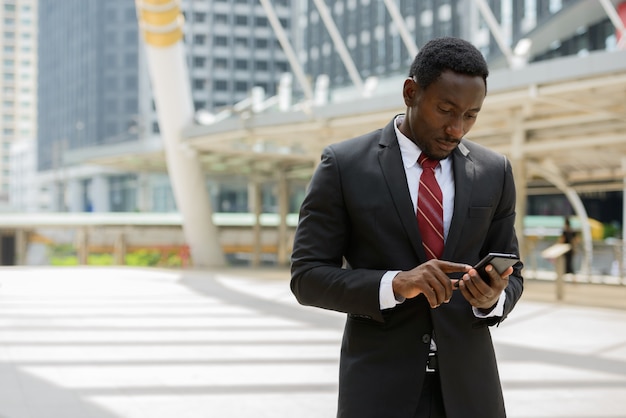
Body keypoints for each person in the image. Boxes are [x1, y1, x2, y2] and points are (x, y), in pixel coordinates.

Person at [290, 36, 524, 418]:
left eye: (470, 115)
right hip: (378, 390)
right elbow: (307, 277)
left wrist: (492, 298)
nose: (457, 129)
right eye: (446, 110)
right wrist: (395, 284)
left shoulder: (494, 171)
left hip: (471, 391)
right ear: (411, 92)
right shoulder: (344, 165)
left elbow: (513, 270)